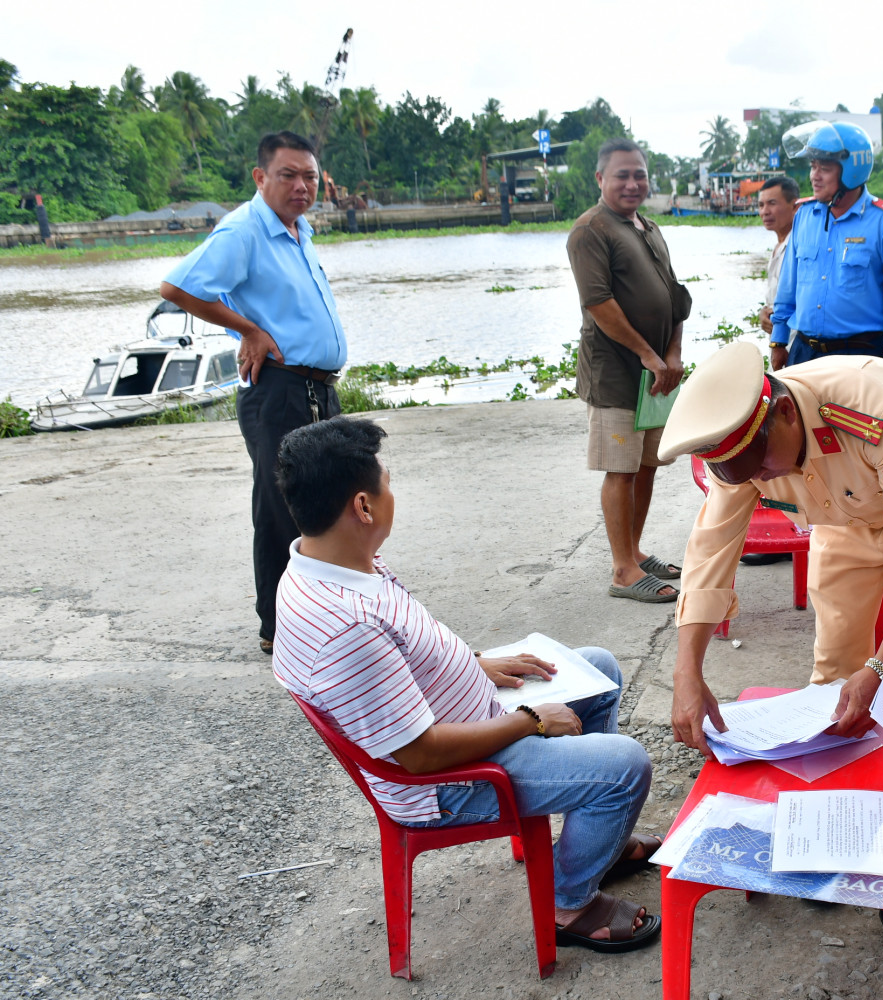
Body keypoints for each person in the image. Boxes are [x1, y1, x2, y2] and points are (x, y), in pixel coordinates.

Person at [270, 417, 661, 953]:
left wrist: (476, 663)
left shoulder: (328, 562)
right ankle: (569, 904)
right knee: (626, 766)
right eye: (387, 479)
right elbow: (421, 756)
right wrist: (529, 721)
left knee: (599, 669)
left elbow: (403, 653)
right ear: (363, 507)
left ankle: (601, 846)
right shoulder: (347, 624)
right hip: (450, 783)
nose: (392, 490)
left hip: (463, 717)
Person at [658, 341, 883, 753]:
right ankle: (837, 791)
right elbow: (710, 553)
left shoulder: (872, 409)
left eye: (761, 466)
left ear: (786, 413)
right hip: (841, 516)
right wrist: (686, 672)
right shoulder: (739, 451)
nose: (759, 478)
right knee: (836, 671)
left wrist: (880, 668)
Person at [160, 130, 348, 655]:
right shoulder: (244, 231)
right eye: (288, 175)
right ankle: (279, 629)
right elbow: (178, 288)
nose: (301, 185)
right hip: (280, 392)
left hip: (317, 388)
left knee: (326, 502)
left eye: (309, 176)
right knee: (280, 507)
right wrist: (248, 330)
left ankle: (323, 617)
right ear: (261, 177)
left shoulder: (297, 231)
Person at [566, 137, 691, 604]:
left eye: (639, 173)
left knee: (646, 465)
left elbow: (674, 298)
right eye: (622, 174)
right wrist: (646, 354)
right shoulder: (590, 231)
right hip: (618, 374)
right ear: (600, 179)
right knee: (620, 469)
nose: (633, 183)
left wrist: (672, 354)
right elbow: (599, 303)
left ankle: (635, 552)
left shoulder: (649, 227)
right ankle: (623, 571)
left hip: (656, 374)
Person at [768, 121, 883, 370]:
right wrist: (779, 340)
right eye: (813, 167)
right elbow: (788, 285)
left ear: (852, 172)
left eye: (824, 169)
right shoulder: (804, 215)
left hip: (860, 358)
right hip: (804, 352)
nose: (814, 176)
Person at [755, 175, 800, 335]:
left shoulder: (801, 247)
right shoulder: (778, 247)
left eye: (772, 204)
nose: (765, 211)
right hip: (778, 343)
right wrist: (764, 313)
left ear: (795, 206)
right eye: (761, 205)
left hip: (796, 342)